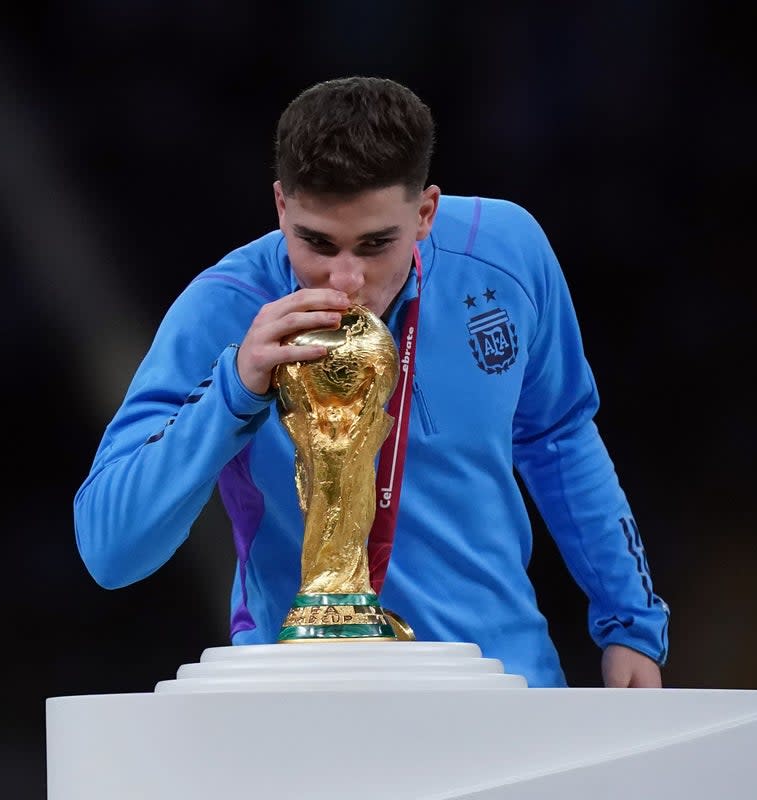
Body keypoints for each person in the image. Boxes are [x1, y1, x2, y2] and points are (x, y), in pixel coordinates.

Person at [73, 76, 668, 688]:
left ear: (425, 213)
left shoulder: (504, 254)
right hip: (309, 707)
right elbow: (109, 550)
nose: (346, 279)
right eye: (317, 243)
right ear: (281, 206)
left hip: (504, 687)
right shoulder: (223, 311)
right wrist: (236, 387)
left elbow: (559, 436)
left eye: (376, 244)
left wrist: (631, 622)